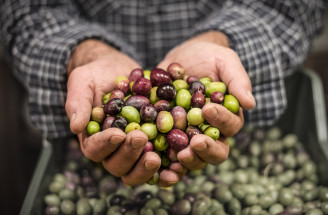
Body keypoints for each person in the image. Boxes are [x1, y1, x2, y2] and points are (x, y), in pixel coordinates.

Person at [0, 0, 325, 187]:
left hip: (233, 107)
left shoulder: (182, 106)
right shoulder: (145, 106)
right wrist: (82, 54)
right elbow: (22, 10)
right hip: (74, 108)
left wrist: (221, 40)